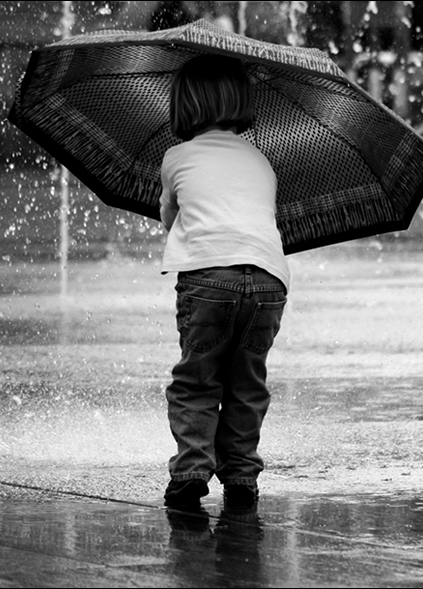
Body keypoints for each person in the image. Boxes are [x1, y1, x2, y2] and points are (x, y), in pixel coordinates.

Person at [159, 53, 290, 512]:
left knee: (197, 379)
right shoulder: (261, 160)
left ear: (183, 106)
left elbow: (169, 216)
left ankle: (193, 470)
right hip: (269, 281)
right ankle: (241, 476)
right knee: (246, 382)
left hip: (209, 278)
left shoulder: (177, 156)